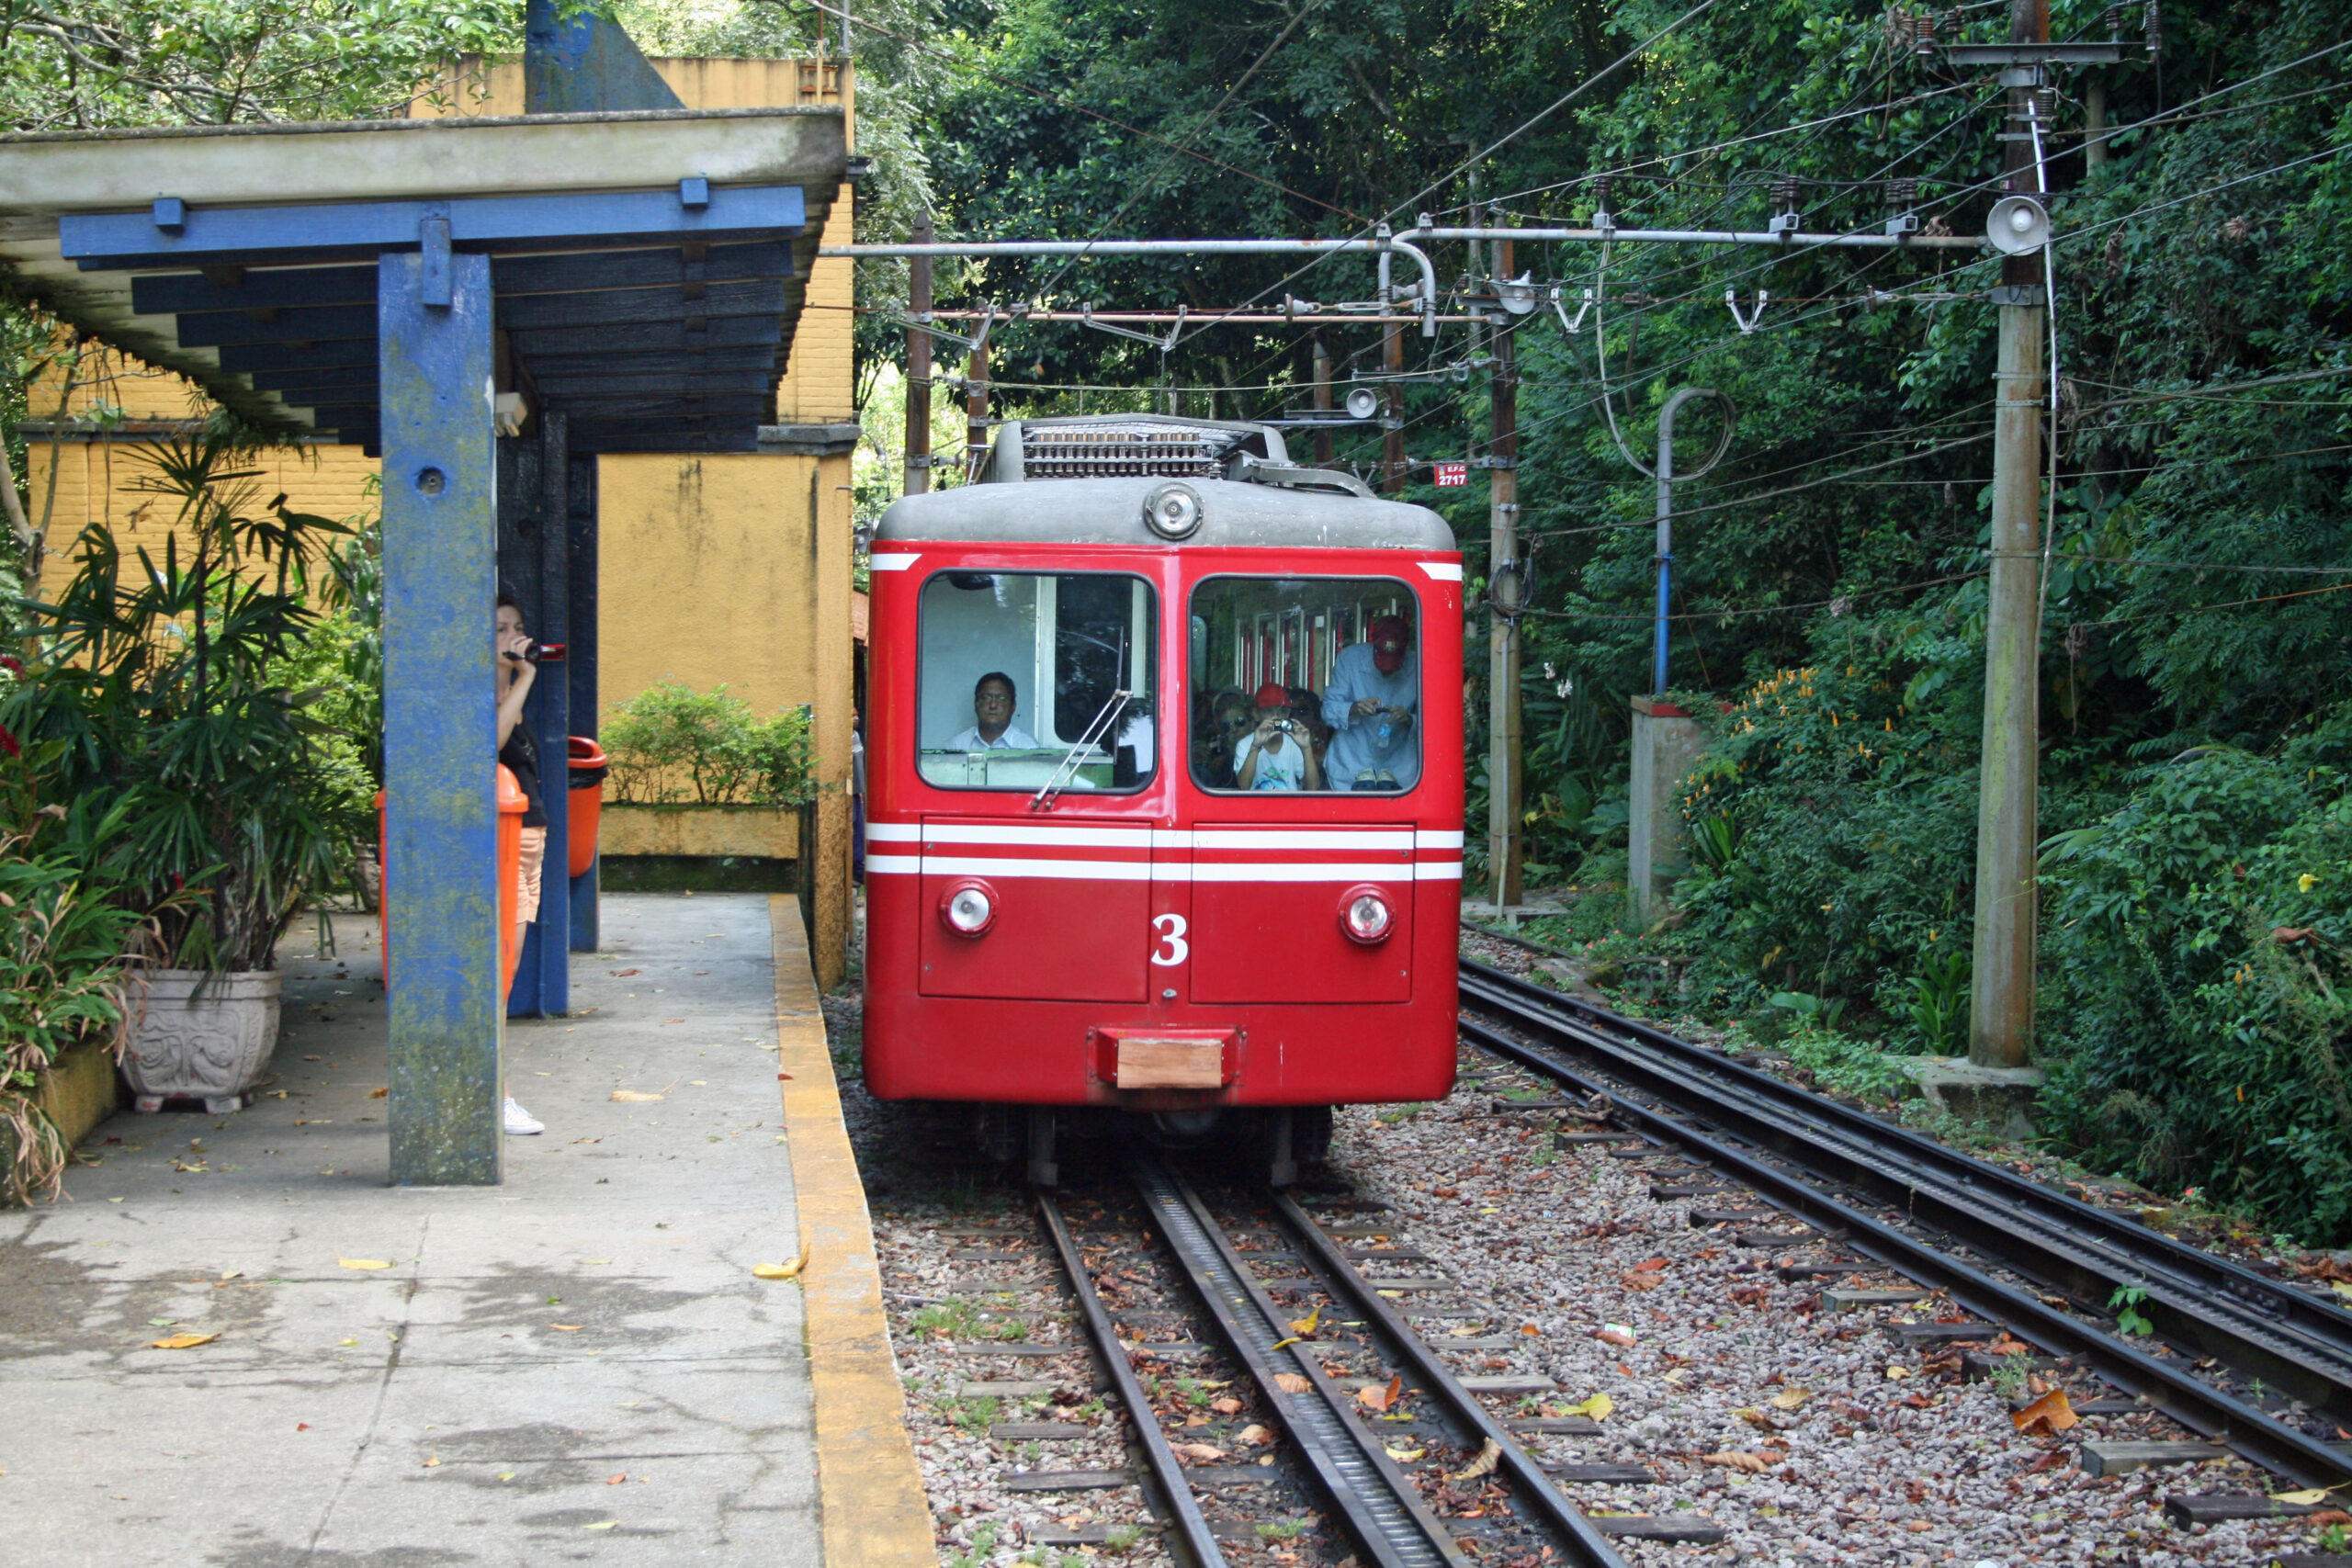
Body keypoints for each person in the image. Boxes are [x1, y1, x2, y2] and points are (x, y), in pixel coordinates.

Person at [494, 594, 547, 1137]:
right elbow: (491, 740)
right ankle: (498, 1094)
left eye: (517, 626)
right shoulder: (481, 692)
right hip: (503, 842)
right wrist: (523, 676)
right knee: (498, 972)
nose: (513, 636)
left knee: (506, 972)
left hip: (530, 840)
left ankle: (494, 1091)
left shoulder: (507, 688)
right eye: (499, 629)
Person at [1321, 615, 1420, 789]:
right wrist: (1355, 708)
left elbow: (1436, 721)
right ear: (1373, 644)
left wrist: (1409, 719)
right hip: (1350, 761)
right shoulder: (1350, 659)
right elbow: (1327, 710)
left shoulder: (1419, 664)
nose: (1387, 673)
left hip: (1401, 766)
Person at [1234, 682, 1326, 792]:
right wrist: (1255, 746)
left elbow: (1313, 788)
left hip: (1289, 803)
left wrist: (1306, 748)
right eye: (1268, 711)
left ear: (1288, 714)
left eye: (1282, 711)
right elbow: (1243, 786)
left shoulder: (1294, 743)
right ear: (1256, 714)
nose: (1276, 717)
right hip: (1257, 803)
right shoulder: (1245, 745)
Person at [944, 671, 1039, 750]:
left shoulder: (1028, 747)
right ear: (976, 704)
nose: (993, 705)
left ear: (1013, 706)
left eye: (1001, 698)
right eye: (986, 698)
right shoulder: (955, 746)